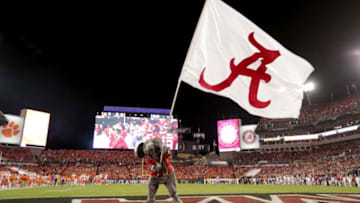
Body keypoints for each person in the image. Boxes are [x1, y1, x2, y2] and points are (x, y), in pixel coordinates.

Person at [135, 137, 182, 203]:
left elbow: (168, 154)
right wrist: (154, 168)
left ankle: (176, 199)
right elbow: (149, 166)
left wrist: (166, 151)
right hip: (155, 175)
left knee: (172, 189)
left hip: (167, 173)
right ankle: (151, 200)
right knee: (151, 185)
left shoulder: (160, 152)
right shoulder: (149, 158)